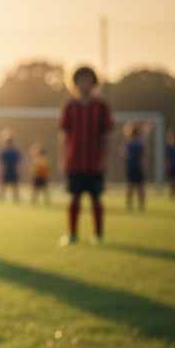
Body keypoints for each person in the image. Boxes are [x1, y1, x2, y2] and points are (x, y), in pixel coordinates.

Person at [58, 65, 113, 245]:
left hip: (94, 162)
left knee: (96, 198)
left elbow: (107, 134)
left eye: (87, 79)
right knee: (74, 197)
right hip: (75, 161)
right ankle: (72, 234)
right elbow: (63, 135)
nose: (84, 83)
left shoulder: (101, 106)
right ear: (74, 83)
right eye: (80, 80)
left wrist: (104, 159)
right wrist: (63, 159)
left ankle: (98, 234)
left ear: (94, 82)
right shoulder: (69, 106)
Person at [121, 121, 146, 211]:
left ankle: (141, 205)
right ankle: (129, 204)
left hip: (137, 168)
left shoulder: (139, 145)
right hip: (130, 168)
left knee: (140, 187)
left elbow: (143, 156)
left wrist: (142, 166)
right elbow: (123, 153)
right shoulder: (127, 144)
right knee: (130, 187)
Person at [0, 129, 22, 203]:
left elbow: (19, 162)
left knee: (15, 186)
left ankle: (16, 199)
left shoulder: (15, 151)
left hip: (13, 170)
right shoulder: (3, 152)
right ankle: (1, 199)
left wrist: (19, 171)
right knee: (3, 185)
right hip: (6, 170)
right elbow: (2, 163)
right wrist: (2, 171)